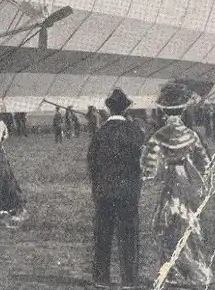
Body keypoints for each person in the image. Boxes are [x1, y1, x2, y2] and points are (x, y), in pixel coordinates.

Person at [141, 83, 213, 288]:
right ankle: (192, 266)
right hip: (186, 181)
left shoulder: (160, 136)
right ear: (181, 111)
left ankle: (170, 269)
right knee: (188, 223)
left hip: (170, 181)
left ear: (164, 112)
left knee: (164, 226)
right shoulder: (191, 135)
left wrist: (149, 174)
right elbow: (205, 162)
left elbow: (149, 167)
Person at [87, 89, 144, 290]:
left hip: (104, 190)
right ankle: (129, 280)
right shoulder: (135, 131)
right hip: (128, 190)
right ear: (126, 108)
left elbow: (92, 163)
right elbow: (141, 161)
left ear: (109, 108)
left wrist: (97, 187)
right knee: (129, 235)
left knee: (103, 234)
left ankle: (101, 278)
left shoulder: (100, 132)